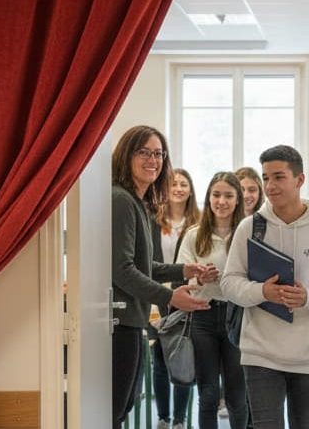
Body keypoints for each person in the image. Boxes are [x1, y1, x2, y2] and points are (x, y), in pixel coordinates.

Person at [220, 145, 309, 429]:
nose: (270, 186)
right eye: (266, 178)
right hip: (260, 353)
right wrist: (261, 292)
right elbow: (229, 283)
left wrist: (308, 298)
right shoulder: (249, 227)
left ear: (300, 180)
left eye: (278, 177)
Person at [110, 125, 212, 427]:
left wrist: (182, 270)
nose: (152, 160)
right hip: (121, 322)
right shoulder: (121, 200)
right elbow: (122, 269)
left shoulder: (136, 202)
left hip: (133, 320)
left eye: (158, 153)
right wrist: (170, 296)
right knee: (115, 409)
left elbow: (143, 264)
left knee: (123, 406)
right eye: (143, 152)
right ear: (127, 155)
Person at [176, 172, 248, 429]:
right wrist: (198, 279)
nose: (222, 201)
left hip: (237, 316)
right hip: (202, 315)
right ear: (208, 198)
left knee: (237, 395)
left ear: (238, 200)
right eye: (216, 195)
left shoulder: (246, 233)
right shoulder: (195, 234)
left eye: (228, 195)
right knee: (207, 394)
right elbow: (180, 278)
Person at [152, 168, 201, 429]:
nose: (178, 188)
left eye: (184, 183)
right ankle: (163, 417)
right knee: (159, 357)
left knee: (182, 355)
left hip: (185, 295)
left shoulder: (198, 222)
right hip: (156, 295)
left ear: (191, 190)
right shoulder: (152, 220)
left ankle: (180, 419)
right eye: (173, 183)